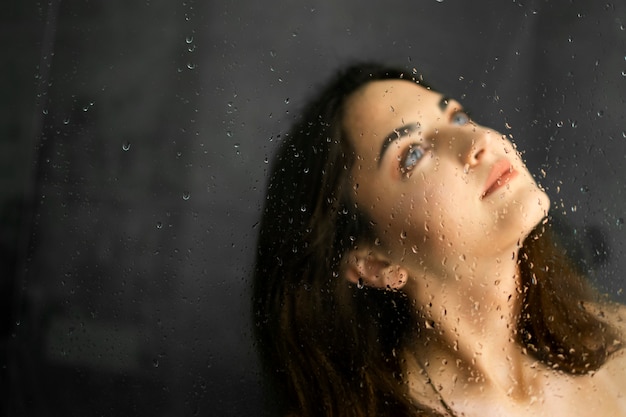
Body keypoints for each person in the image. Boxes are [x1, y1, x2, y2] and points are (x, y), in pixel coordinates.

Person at [252, 63, 626, 417]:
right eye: (413, 153)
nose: (477, 139)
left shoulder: (616, 339)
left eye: (457, 117)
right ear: (375, 264)